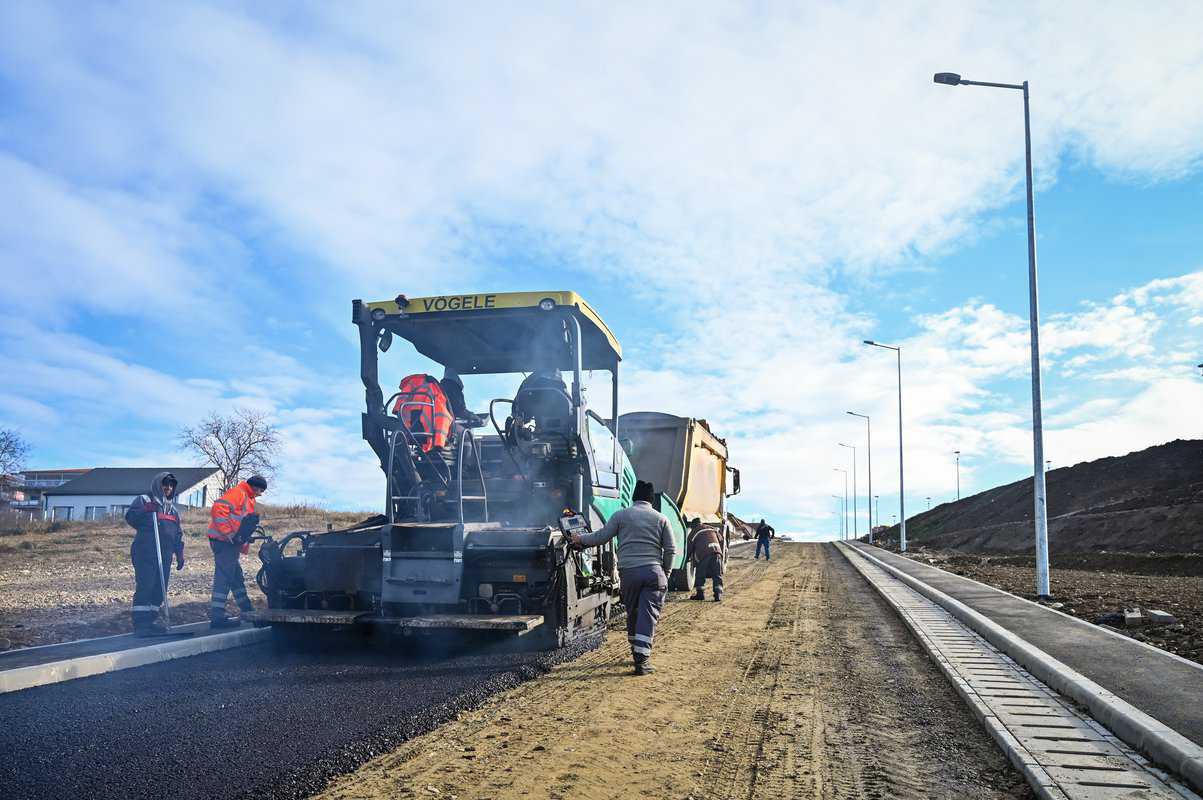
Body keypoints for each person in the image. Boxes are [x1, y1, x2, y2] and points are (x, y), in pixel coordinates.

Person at [570, 480, 674, 675]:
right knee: (648, 614)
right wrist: (665, 574)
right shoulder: (661, 519)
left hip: (629, 573)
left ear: (634, 497)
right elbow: (670, 550)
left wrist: (580, 540)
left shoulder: (621, 515)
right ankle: (641, 661)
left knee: (634, 612)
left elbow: (601, 537)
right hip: (653, 573)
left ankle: (636, 651)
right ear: (652, 500)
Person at [124, 471, 185, 636]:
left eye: (171, 485)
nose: (168, 487)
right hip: (145, 551)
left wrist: (179, 553)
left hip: (164, 555)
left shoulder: (173, 510)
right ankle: (141, 624)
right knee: (146, 586)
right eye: (165, 484)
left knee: (160, 588)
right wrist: (145, 510)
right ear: (159, 484)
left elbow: (178, 533)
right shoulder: (145, 500)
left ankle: (151, 621)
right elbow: (130, 518)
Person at [207, 474, 267, 629]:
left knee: (235, 577)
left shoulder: (248, 498)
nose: (260, 494)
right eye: (260, 490)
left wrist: (241, 542)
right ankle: (217, 617)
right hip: (224, 541)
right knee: (224, 577)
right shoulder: (238, 493)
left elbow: (242, 524)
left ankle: (248, 611)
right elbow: (218, 508)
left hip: (229, 543)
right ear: (255, 487)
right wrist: (228, 533)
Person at [688, 518, 724, 602]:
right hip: (717, 552)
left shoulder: (695, 531)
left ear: (694, 525)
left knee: (700, 574)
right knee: (717, 574)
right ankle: (718, 594)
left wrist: (686, 559)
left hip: (704, 553)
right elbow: (721, 539)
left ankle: (700, 594)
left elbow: (689, 546)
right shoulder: (711, 528)